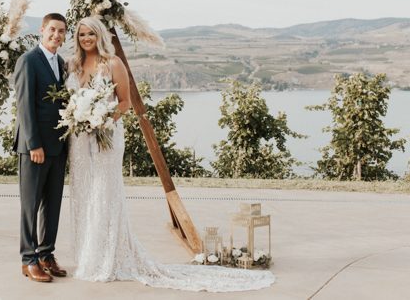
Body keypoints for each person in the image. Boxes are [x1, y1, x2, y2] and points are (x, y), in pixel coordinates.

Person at [66, 16, 275, 292]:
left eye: (90, 34)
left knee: (105, 193)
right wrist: (82, 119)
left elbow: (125, 102)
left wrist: (104, 119)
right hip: (79, 141)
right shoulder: (73, 64)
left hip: (107, 134)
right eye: (81, 35)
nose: (86, 39)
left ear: (100, 35)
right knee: (83, 194)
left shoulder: (113, 63)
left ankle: (106, 258)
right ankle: (86, 256)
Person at [13, 13, 69, 283]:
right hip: (34, 147)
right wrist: (33, 143)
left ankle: (46, 254)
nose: (56, 35)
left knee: (52, 204)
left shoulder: (60, 62)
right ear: (42, 30)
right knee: (31, 205)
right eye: (52, 30)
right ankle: (28, 259)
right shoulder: (28, 61)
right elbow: (24, 106)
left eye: (61, 31)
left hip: (58, 146)